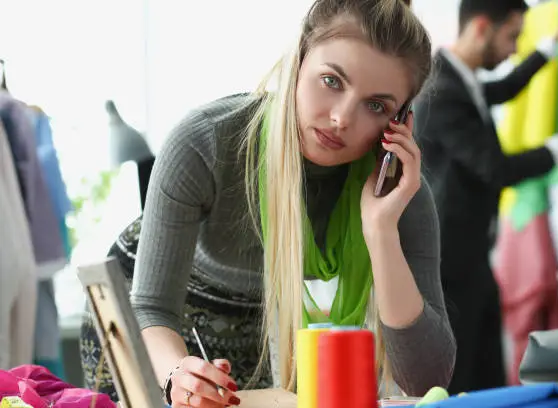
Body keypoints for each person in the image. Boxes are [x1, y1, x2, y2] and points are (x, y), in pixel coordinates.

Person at [79, 1, 457, 407]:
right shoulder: (205, 142)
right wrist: (176, 375)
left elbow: (426, 380)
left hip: (250, 318)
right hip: (143, 313)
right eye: (331, 81)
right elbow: (150, 305)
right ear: (298, 60)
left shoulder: (398, 194)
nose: (341, 118)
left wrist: (381, 232)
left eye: (376, 106)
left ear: (400, 121)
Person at [412, 0, 558, 396]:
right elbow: (497, 169)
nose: (516, 48)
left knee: (488, 372)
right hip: (449, 267)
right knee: (465, 379)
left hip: (470, 259)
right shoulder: (440, 90)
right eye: (513, 36)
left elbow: (507, 87)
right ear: (482, 28)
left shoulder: (460, 78)